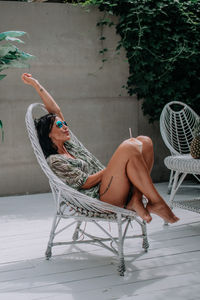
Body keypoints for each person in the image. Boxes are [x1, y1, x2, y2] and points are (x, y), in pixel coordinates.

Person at [22, 73, 179, 224]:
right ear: (49, 135)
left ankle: (136, 199)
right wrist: (115, 166)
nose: (64, 126)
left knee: (145, 141)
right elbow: (85, 183)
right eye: (59, 125)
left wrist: (36, 84)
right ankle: (157, 202)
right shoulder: (55, 160)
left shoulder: (69, 144)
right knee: (128, 147)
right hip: (100, 197)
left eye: (64, 123)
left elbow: (55, 111)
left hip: (114, 186)